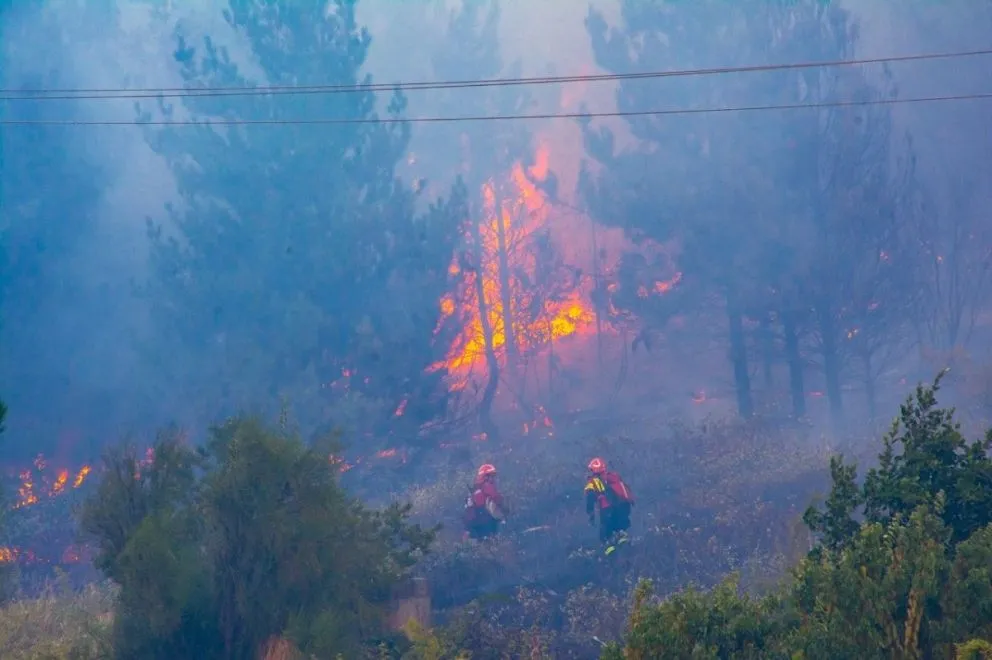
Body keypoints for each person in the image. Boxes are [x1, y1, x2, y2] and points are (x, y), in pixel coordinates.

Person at [584, 457, 634, 556]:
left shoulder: (593, 482)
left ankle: (610, 553)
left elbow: (590, 496)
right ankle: (623, 543)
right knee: (619, 529)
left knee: (605, 534)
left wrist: (590, 513)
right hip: (623, 507)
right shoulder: (613, 477)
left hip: (606, 509)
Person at [463, 463, 507, 540]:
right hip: (487, 526)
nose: (493, 479)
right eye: (491, 476)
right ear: (485, 477)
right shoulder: (487, 487)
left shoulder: (475, 490)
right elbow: (497, 498)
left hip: (475, 529)